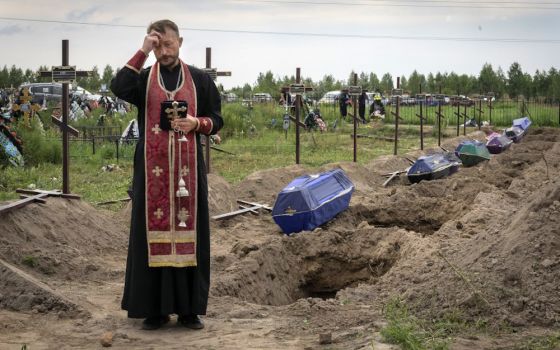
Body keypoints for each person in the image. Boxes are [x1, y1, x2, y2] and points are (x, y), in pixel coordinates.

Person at [110, 19, 223, 331]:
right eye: (158, 46)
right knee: (150, 237)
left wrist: (197, 124)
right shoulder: (144, 79)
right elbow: (118, 87)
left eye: (168, 44)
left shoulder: (199, 79)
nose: (164, 51)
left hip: (189, 175)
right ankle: (154, 310)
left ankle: (189, 311)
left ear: (180, 42)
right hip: (152, 174)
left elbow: (216, 118)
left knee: (191, 238)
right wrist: (142, 50)